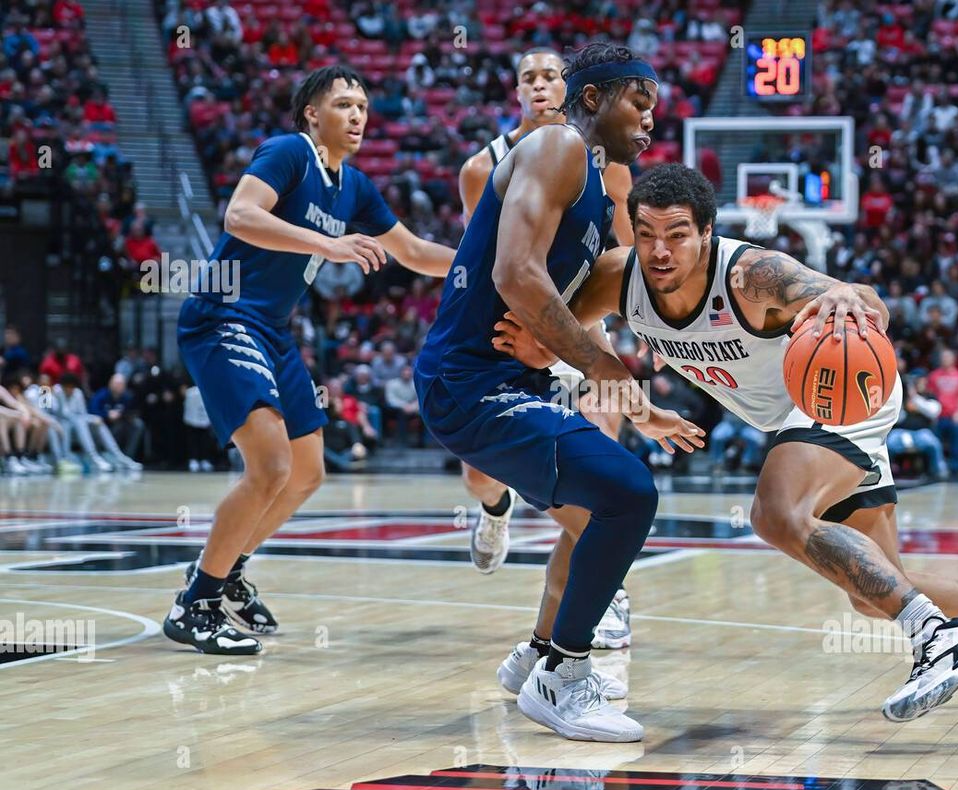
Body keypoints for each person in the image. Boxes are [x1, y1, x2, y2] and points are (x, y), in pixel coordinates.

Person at [494, 163, 958, 729]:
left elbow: (867, 303)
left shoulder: (753, 276)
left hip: (837, 398)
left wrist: (851, 298)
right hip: (802, 418)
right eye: (646, 234)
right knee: (871, 590)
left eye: (677, 235)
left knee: (776, 512)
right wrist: (534, 344)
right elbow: (564, 335)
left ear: (707, 232)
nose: (660, 251)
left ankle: (938, 638)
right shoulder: (621, 278)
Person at [416, 44, 703, 742]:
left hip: (514, 378)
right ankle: (562, 676)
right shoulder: (557, 145)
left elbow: (575, 311)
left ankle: (542, 653)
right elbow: (516, 275)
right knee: (627, 494)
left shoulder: (600, 191)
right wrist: (608, 375)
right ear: (596, 96)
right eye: (640, 102)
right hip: (469, 382)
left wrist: (635, 400)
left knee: (596, 510)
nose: (649, 120)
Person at [167, 65, 456, 654]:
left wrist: (488, 264)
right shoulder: (287, 152)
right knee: (270, 465)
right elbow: (240, 215)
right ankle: (195, 602)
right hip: (222, 315)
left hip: (271, 329)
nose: (357, 116)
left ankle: (228, 570)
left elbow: (414, 251)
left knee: (308, 471)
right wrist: (329, 245)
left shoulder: (354, 185)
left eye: (364, 108)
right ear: (311, 114)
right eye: (345, 104)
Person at [454, 48, 634, 598]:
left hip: (579, 316)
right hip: (516, 320)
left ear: (572, 88)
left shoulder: (612, 165)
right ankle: (495, 508)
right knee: (482, 472)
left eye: (550, 76)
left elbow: (625, 252)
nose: (538, 85)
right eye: (527, 77)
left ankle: (607, 597)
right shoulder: (481, 167)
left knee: (604, 462)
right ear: (516, 92)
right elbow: (487, 261)